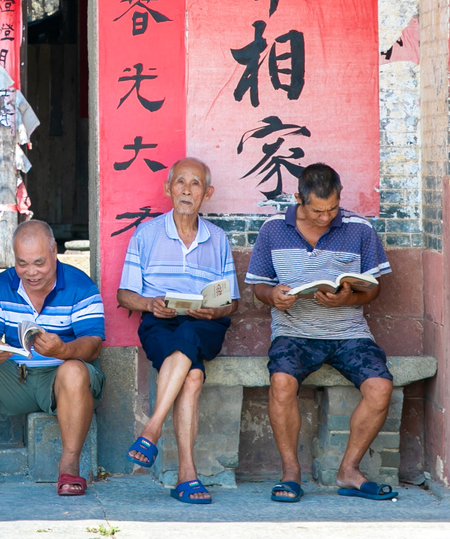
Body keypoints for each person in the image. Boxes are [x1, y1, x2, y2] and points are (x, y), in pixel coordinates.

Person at [243, 162, 397, 503]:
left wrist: (349, 297)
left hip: (349, 331)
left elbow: (374, 290)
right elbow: (259, 288)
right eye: (316, 210)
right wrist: (275, 297)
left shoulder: (360, 229)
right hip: (293, 330)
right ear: (298, 198)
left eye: (332, 209)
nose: (325, 217)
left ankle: (349, 470)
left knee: (380, 387)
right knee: (281, 382)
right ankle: (291, 472)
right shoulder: (272, 229)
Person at [0, 220, 104, 496]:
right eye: (22, 263)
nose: (31, 272)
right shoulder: (1, 285)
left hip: (62, 380)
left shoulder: (80, 285)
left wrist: (64, 351)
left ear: (54, 252)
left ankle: (70, 467)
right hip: (17, 375)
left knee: (74, 370)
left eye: (39, 262)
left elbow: (93, 345)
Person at [113, 158, 238, 504]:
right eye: (179, 182)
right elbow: (124, 295)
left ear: (207, 193)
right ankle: (187, 476)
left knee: (190, 337)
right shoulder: (147, 234)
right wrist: (151, 304)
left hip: (204, 323)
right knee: (193, 378)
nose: (186, 189)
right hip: (160, 320)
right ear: (168, 189)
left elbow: (233, 302)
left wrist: (215, 310)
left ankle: (150, 430)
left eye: (195, 184)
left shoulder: (218, 239)